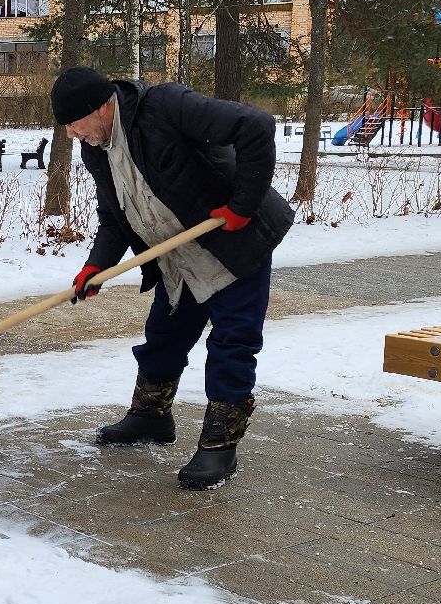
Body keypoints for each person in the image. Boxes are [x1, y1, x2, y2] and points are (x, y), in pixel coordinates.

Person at [50, 65, 293, 489]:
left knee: (232, 343)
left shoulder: (163, 108)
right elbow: (115, 215)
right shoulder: (97, 150)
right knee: (164, 335)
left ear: (102, 107)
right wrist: (97, 265)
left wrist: (243, 206)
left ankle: (219, 448)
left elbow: (256, 126)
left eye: (75, 123)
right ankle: (150, 418)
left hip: (233, 247)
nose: (72, 134)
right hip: (177, 258)